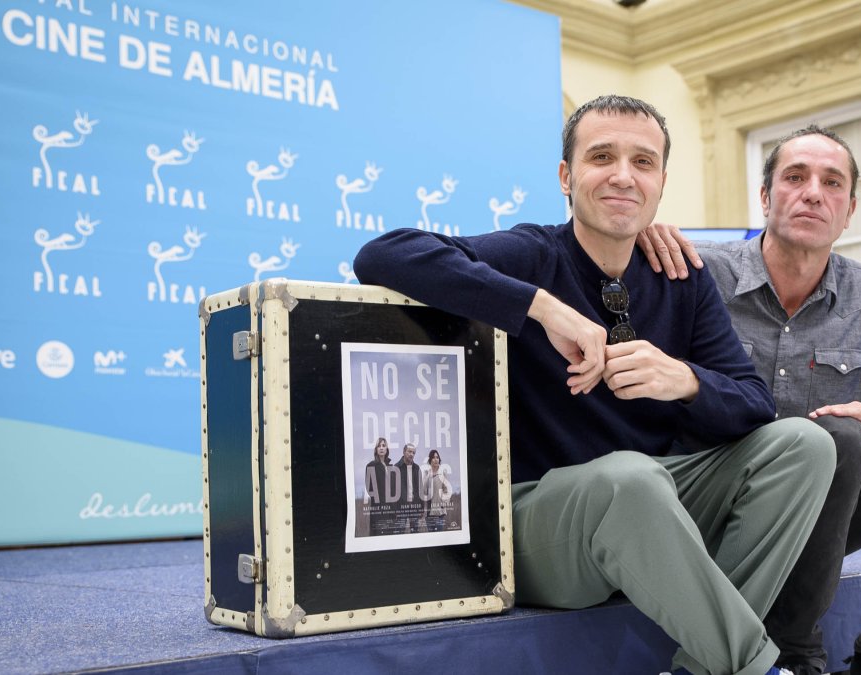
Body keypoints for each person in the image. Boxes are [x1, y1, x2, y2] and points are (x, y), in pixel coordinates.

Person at [354, 95, 835, 675]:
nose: (622, 176)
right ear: (566, 176)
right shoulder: (532, 254)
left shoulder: (680, 277)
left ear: (660, 183)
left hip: (654, 506)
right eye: (601, 156)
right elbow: (384, 254)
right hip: (537, 522)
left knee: (806, 446)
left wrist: (683, 381)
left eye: (643, 162)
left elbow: (754, 407)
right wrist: (543, 310)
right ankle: (754, 667)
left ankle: (701, 663)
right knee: (627, 478)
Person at [637, 124, 861, 675]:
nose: (813, 192)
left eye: (832, 183)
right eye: (795, 176)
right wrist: (637, 235)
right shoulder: (694, 270)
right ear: (765, 197)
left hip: (822, 515)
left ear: (850, 209)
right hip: (710, 511)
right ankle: (793, 649)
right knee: (831, 439)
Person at [364, 437, 395, 536]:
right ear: (376, 450)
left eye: (383, 445)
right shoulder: (371, 466)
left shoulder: (391, 467)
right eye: (379, 446)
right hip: (378, 509)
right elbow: (370, 489)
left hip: (392, 511)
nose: (381, 448)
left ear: (387, 449)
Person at [394, 442, 425, 534]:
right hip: (401, 507)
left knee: (415, 532)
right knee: (399, 533)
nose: (411, 454)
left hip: (414, 506)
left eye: (413, 452)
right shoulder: (396, 467)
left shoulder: (416, 468)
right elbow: (393, 490)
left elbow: (420, 488)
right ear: (404, 452)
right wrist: (394, 509)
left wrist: (421, 507)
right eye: (409, 451)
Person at [421, 449, 454, 532]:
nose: (436, 459)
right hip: (428, 513)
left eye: (437, 457)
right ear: (430, 460)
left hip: (439, 513)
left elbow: (448, 491)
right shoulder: (427, 474)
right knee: (431, 538)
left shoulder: (443, 473)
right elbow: (423, 492)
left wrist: (443, 503)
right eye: (433, 457)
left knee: (439, 537)